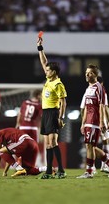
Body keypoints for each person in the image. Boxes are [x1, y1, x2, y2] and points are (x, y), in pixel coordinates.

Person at [77, 64, 109, 179]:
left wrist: (101, 122)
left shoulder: (99, 87)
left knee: (90, 146)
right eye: (86, 73)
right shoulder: (88, 88)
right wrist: (82, 123)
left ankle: (89, 172)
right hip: (88, 121)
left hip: (94, 121)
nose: (87, 75)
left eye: (89, 73)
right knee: (90, 146)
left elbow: (101, 106)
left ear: (95, 75)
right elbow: (85, 107)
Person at [37, 35, 67, 179]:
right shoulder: (49, 79)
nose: (46, 71)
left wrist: (61, 117)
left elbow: (63, 102)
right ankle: (49, 171)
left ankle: (61, 170)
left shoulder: (58, 84)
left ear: (53, 72)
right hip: (46, 113)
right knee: (48, 144)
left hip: (54, 113)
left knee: (53, 142)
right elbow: (44, 61)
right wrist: (40, 48)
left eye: (48, 70)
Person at [80, 76, 109, 174]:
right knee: (97, 144)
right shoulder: (90, 90)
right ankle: (106, 165)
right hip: (96, 121)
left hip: (97, 121)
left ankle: (94, 167)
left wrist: (103, 122)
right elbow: (104, 108)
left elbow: (102, 107)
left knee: (90, 145)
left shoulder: (100, 90)